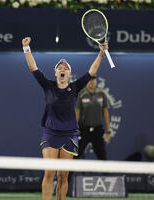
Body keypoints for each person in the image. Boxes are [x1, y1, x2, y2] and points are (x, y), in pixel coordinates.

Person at [22, 37, 108, 200]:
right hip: (51, 133)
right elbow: (33, 67)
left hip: (70, 134)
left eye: (66, 68)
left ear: (69, 74)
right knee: (49, 173)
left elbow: (92, 71)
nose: (63, 69)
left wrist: (101, 54)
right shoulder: (47, 86)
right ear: (56, 73)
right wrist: (26, 48)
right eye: (60, 68)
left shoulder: (75, 87)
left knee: (63, 176)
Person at [75, 76, 111, 160]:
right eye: (89, 80)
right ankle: (68, 173)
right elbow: (77, 113)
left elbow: (105, 113)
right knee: (75, 154)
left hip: (97, 130)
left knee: (102, 156)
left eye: (93, 80)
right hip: (83, 129)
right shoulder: (81, 94)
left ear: (96, 81)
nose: (91, 82)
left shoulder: (101, 94)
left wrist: (108, 131)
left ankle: (107, 173)